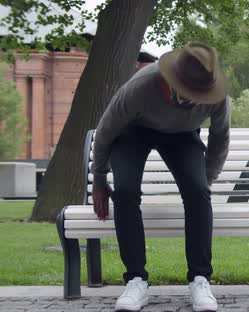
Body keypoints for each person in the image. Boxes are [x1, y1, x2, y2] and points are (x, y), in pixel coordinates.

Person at [91, 42, 230, 312]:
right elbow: (106, 130)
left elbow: (219, 138)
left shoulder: (216, 95)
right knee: (126, 191)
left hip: (182, 136)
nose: (191, 99)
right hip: (133, 131)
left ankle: (200, 279)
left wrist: (206, 182)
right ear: (169, 80)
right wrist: (99, 178)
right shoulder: (141, 86)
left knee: (198, 192)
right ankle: (135, 280)